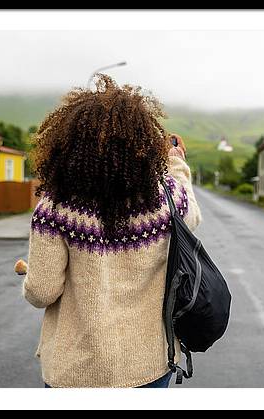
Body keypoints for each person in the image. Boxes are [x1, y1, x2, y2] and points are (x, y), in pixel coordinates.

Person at [22, 74, 202, 388]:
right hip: (149, 365)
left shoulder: (54, 208)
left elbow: (41, 293)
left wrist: (30, 276)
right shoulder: (167, 199)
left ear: (68, 146)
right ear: (142, 146)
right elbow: (192, 216)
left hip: (75, 371)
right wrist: (176, 164)